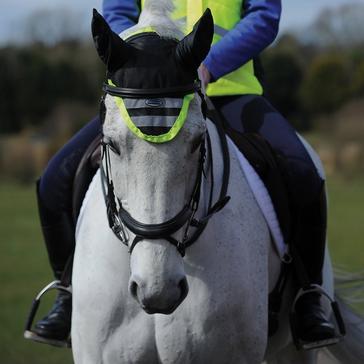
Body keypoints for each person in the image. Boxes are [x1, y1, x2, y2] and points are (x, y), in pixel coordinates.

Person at [30, 0, 336, 348]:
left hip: (229, 90)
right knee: (56, 178)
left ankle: (309, 298)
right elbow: (116, 11)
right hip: (151, 89)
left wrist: (208, 64)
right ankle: (67, 293)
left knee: (303, 172)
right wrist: (145, 58)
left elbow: (263, 16)